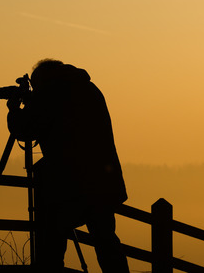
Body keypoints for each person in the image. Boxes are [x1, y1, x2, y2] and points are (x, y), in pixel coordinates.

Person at [7, 59, 129, 272]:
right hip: (102, 180)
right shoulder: (86, 87)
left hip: (69, 186)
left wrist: (14, 109)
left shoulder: (52, 93)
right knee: (106, 241)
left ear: (42, 81)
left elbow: (26, 128)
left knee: (52, 243)